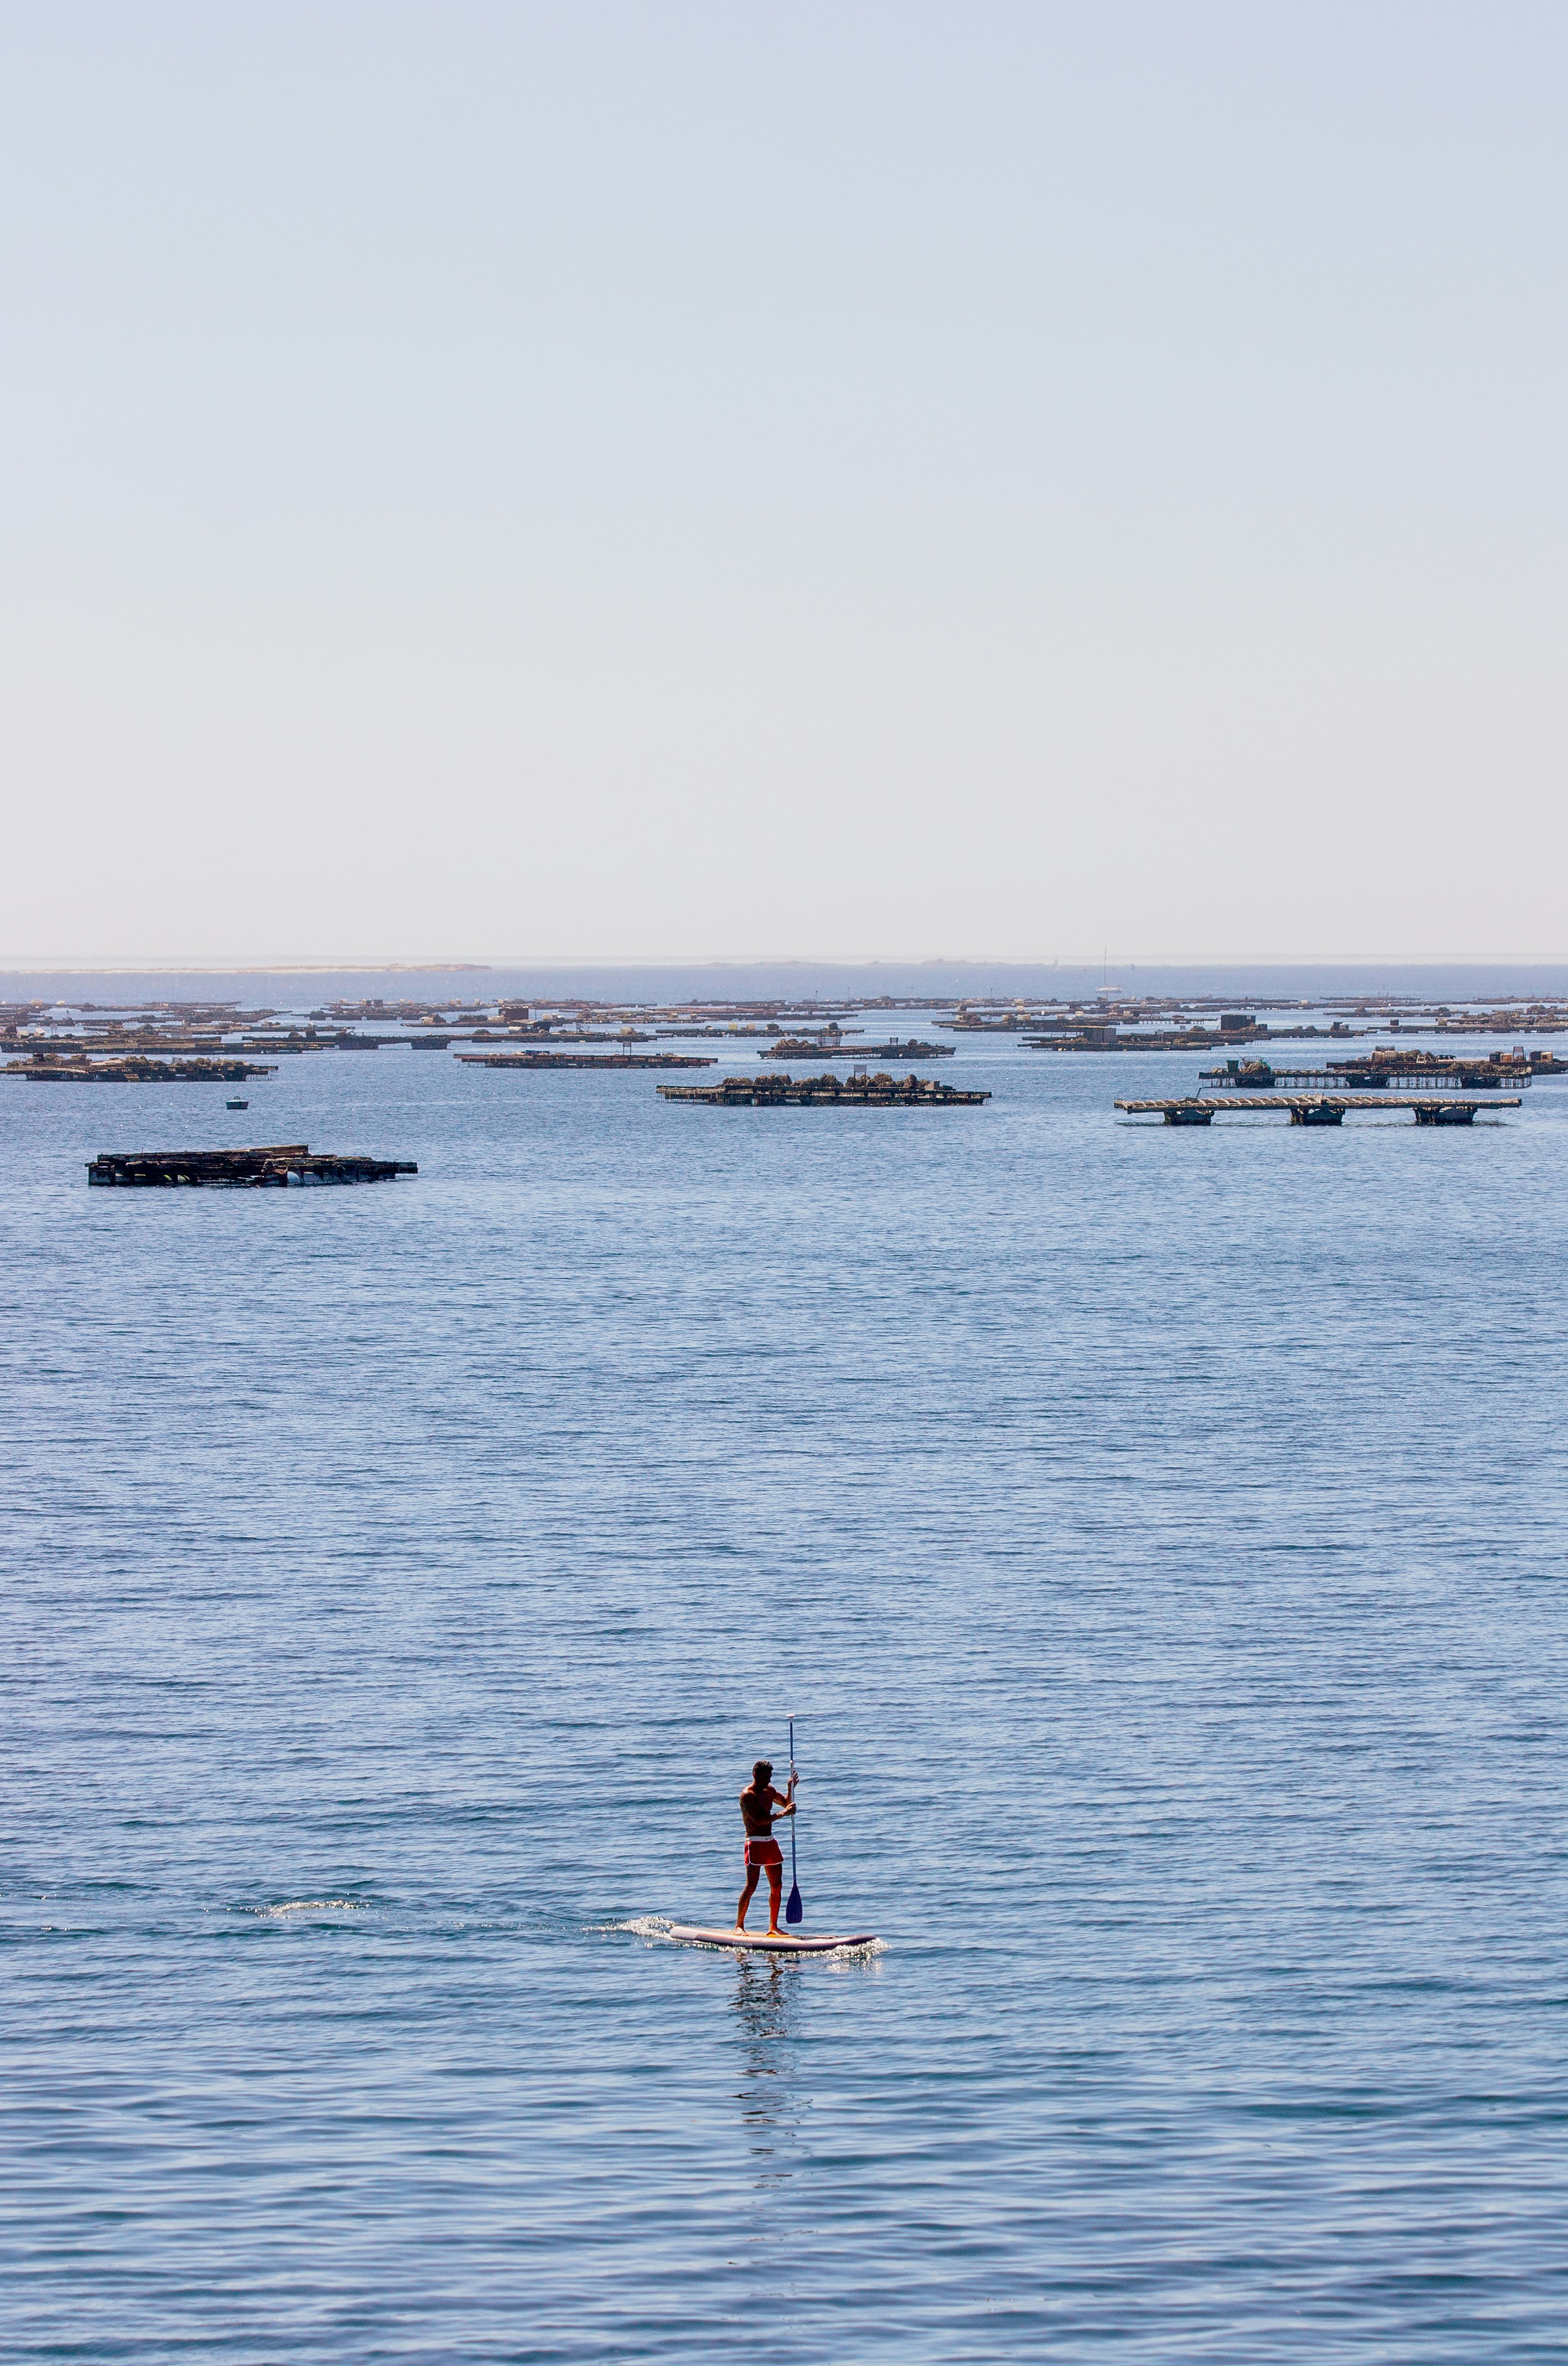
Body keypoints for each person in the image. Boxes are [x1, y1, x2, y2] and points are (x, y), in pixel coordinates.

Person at [736, 1757, 796, 1934]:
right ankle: (739, 1926)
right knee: (751, 1886)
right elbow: (759, 1821)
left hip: (769, 1841)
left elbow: (786, 1803)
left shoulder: (769, 1790)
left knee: (777, 1886)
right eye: (765, 1777)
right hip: (754, 1842)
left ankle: (773, 1926)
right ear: (755, 1775)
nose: (768, 1781)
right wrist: (783, 1814)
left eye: (770, 1777)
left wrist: (790, 1788)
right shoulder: (748, 1796)